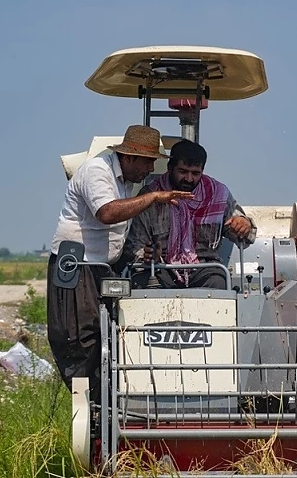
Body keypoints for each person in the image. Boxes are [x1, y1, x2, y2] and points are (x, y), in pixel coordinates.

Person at [46, 124, 193, 402]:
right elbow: (107, 213)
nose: (150, 170)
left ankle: (108, 402)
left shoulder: (126, 181)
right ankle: (90, 405)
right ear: (129, 157)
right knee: (79, 337)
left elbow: (119, 230)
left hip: (102, 266)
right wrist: (151, 197)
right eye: (148, 162)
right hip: (78, 266)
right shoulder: (96, 171)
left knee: (107, 334)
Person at [122, 138, 256, 290]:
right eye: (183, 171)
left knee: (218, 282)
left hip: (205, 269)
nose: (189, 178)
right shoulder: (150, 195)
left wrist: (244, 225)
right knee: (143, 283)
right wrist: (149, 256)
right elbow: (134, 245)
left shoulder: (218, 194)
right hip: (161, 268)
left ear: (203, 171)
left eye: (195, 173)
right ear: (169, 167)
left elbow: (244, 237)